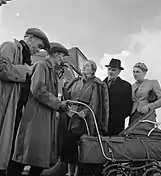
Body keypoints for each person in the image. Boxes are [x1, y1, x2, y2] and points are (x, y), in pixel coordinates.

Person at [6, 42, 69, 176]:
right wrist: (58, 104)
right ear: (56, 55)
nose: (63, 60)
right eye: (62, 56)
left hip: (44, 118)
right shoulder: (42, 66)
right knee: (25, 156)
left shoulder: (51, 70)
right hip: (36, 118)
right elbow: (38, 89)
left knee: (38, 160)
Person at [0, 27, 50, 176]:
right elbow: (2, 69)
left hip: (15, 111)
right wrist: (26, 71)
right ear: (29, 38)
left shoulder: (26, 57)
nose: (38, 50)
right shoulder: (10, 46)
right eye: (39, 46)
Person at [58, 60, 109, 176]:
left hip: (85, 120)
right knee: (68, 144)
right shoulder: (75, 82)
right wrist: (64, 88)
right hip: (71, 116)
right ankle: (70, 172)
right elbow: (68, 97)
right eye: (84, 66)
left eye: (87, 66)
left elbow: (96, 103)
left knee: (81, 146)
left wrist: (85, 112)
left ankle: (77, 173)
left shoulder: (96, 84)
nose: (84, 67)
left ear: (92, 70)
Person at [103, 58, 133, 135]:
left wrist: (118, 117)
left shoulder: (126, 86)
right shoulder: (100, 85)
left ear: (119, 71)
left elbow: (128, 107)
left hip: (116, 125)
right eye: (109, 69)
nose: (110, 72)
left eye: (113, 70)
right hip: (101, 123)